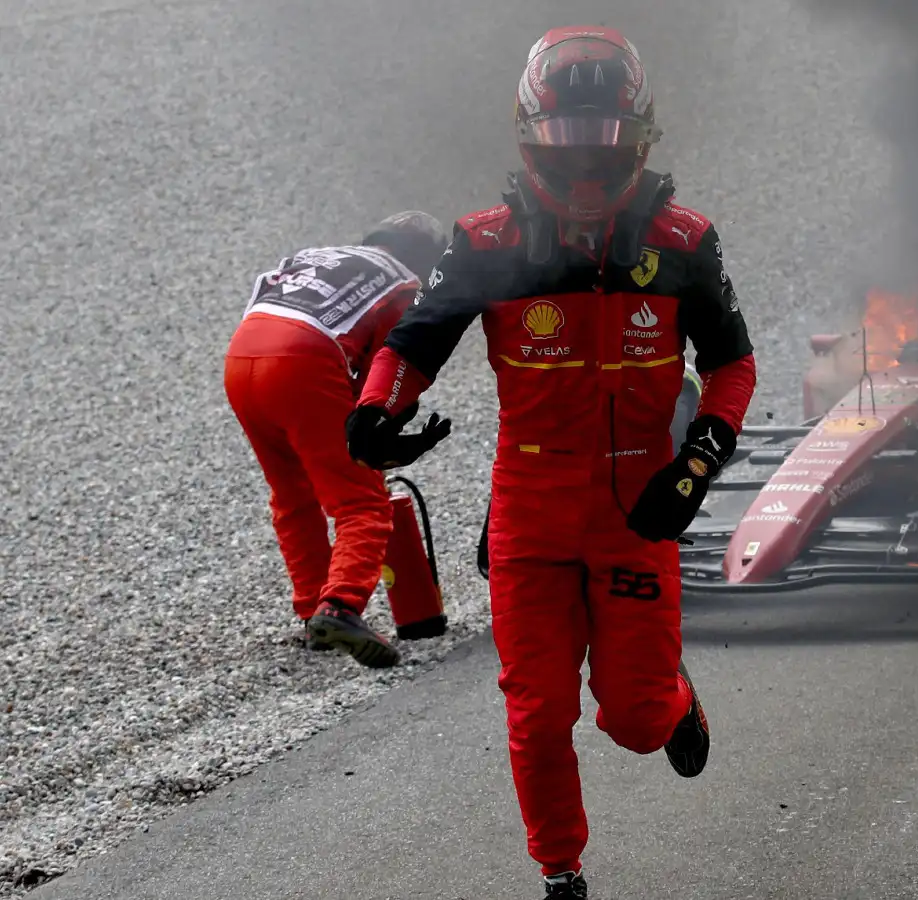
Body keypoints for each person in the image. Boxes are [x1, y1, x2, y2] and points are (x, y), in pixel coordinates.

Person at [345, 26, 756, 898]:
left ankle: (672, 698)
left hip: (640, 503)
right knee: (536, 715)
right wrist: (380, 406)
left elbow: (731, 365)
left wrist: (701, 461)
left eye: (603, 141)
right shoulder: (486, 242)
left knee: (635, 721)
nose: (584, 167)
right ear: (531, 133)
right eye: (567, 141)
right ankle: (560, 873)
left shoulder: (684, 243)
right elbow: (415, 343)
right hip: (529, 503)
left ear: (639, 136)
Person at [224, 211, 452, 669]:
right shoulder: (405, 283)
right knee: (361, 501)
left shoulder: (317, 256)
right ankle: (341, 607)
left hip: (240, 360)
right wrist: (379, 439)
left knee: (292, 494)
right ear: (425, 259)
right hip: (302, 358)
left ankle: (313, 612)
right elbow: (385, 378)